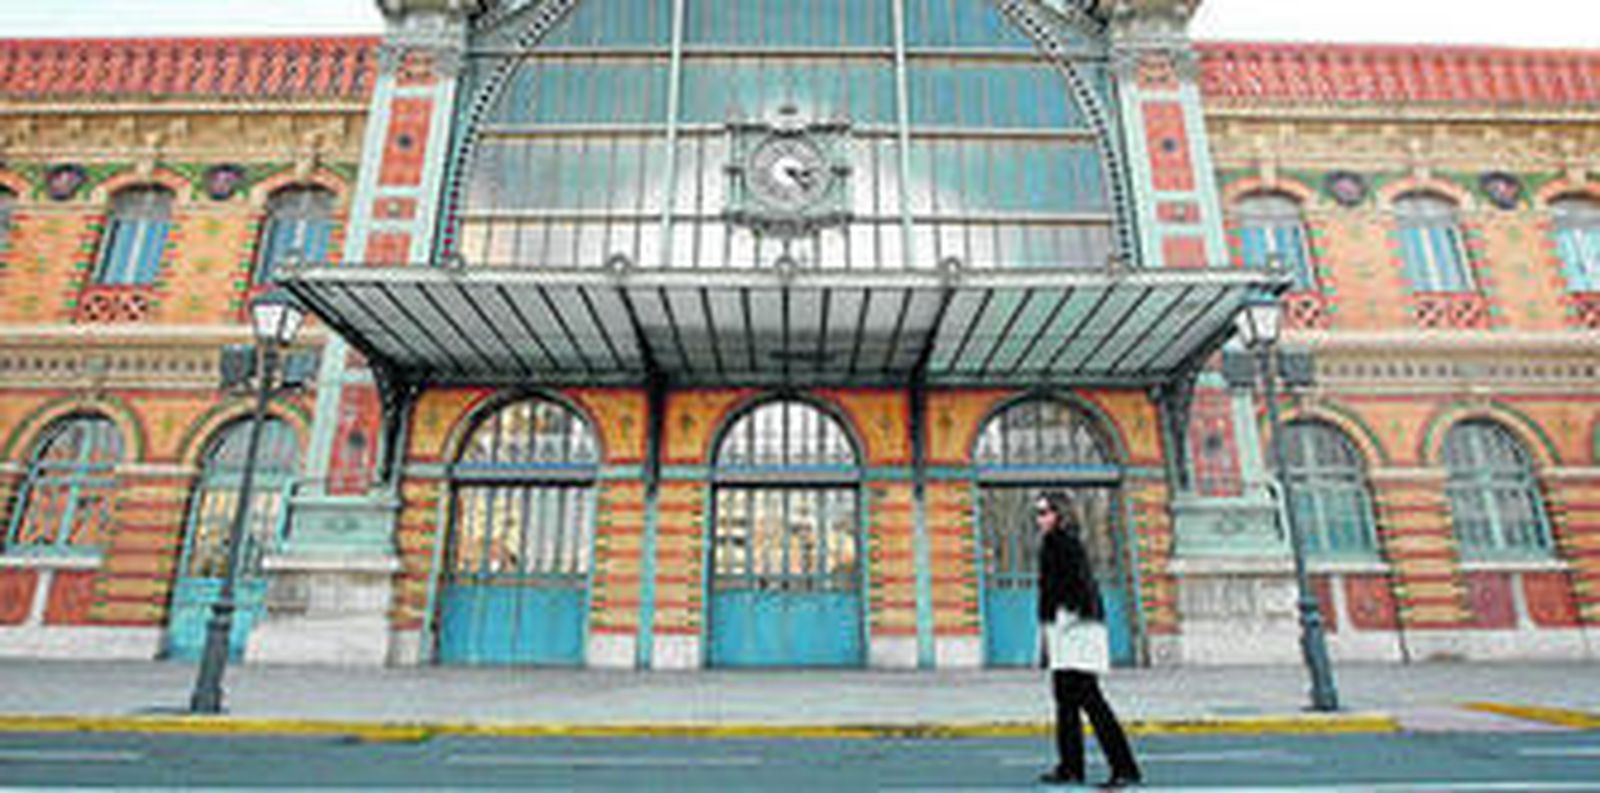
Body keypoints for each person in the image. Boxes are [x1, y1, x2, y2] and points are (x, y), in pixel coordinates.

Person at [1036, 491, 1142, 788]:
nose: (1039, 518)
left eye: (1044, 512)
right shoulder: (1055, 542)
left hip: (1075, 628)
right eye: (1038, 512)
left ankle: (1124, 768)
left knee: (1090, 700)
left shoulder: (1063, 542)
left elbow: (1077, 587)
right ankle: (1070, 766)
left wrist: (1069, 618)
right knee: (1065, 701)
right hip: (1066, 626)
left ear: (1060, 513)